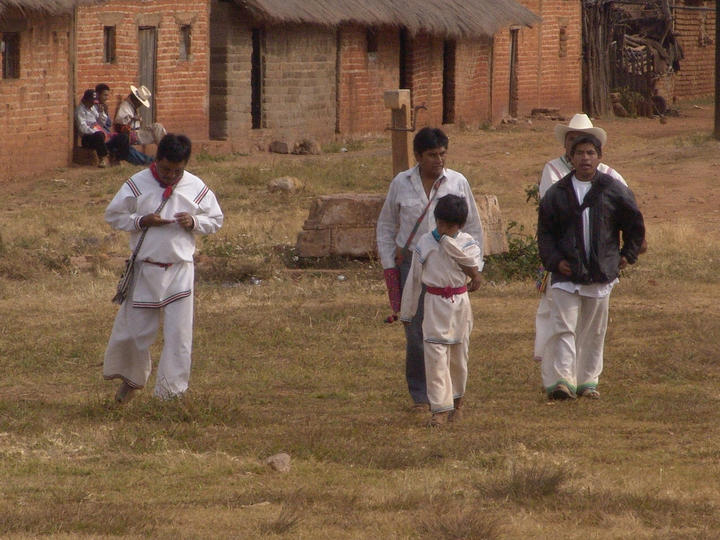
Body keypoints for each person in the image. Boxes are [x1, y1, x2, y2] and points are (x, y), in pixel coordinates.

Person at [103, 134, 223, 402]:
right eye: (166, 169)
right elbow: (113, 215)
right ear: (157, 160)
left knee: (179, 337)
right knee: (134, 333)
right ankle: (130, 384)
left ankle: (171, 396)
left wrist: (193, 222)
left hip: (180, 270)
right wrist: (140, 220)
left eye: (177, 171)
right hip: (145, 270)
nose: (171, 176)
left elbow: (215, 219)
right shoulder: (137, 183)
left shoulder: (195, 186)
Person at [376, 127, 484, 412]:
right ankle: (421, 397)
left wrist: (475, 266)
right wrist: (390, 264)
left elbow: (473, 227)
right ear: (418, 156)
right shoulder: (401, 183)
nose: (438, 160)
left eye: (442, 154)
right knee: (414, 331)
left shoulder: (458, 182)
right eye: (432, 155)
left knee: (452, 332)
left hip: (450, 268)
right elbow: (386, 225)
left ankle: (450, 393)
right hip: (411, 264)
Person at [537, 134, 645, 400]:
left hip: (600, 273)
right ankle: (563, 380)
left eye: (590, 153)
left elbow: (634, 223)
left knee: (594, 330)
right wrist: (554, 261)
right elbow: (545, 233)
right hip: (566, 273)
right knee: (564, 325)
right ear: (571, 158)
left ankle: (588, 381)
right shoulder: (557, 193)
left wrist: (626, 254)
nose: (585, 158)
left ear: (599, 157)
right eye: (580, 153)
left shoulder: (613, 188)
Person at [399, 194, 483, 426]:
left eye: (450, 225)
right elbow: (414, 279)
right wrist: (408, 311)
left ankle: (458, 404)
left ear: (461, 225)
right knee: (435, 355)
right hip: (434, 303)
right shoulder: (426, 242)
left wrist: (446, 241)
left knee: (458, 357)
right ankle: (439, 410)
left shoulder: (468, 243)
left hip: (459, 304)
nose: (443, 229)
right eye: (441, 223)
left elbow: (471, 265)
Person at [114, 84, 166, 165]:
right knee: (156, 128)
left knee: (158, 127)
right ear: (136, 100)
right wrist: (133, 118)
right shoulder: (125, 106)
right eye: (140, 102)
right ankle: (160, 156)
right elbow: (119, 121)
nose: (141, 105)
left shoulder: (132, 107)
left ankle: (165, 151)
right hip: (130, 134)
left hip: (136, 132)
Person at [74, 89, 115, 167]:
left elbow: (102, 123)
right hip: (87, 137)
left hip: (98, 132)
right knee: (99, 136)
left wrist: (101, 112)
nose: (92, 104)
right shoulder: (80, 111)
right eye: (91, 102)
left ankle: (114, 157)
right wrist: (95, 131)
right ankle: (102, 158)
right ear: (85, 100)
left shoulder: (93, 108)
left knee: (117, 137)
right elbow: (82, 128)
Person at [94, 83, 130, 163]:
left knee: (124, 137)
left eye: (107, 95)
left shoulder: (104, 107)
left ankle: (119, 160)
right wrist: (101, 114)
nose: (106, 98)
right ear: (97, 95)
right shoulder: (93, 107)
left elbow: (109, 124)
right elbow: (97, 124)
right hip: (100, 138)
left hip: (108, 136)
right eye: (104, 95)